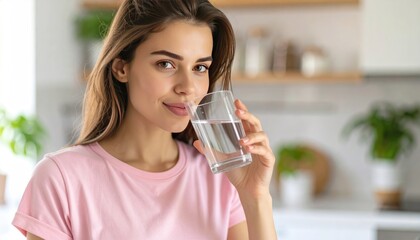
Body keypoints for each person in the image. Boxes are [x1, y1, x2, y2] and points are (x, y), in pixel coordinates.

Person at [12, 0, 277, 239]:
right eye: (166, 64)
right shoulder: (61, 178)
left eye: (199, 68)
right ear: (121, 68)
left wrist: (255, 197)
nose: (188, 87)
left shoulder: (220, 177)